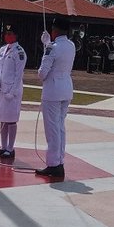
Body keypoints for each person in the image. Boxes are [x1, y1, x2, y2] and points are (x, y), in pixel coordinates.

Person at [35, 17, 75, 179]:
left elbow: (42, 73)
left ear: (55, 30)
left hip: (53, 90)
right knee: (60, 128)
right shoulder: (71, 45)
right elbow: (59, 57)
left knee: (52, 130)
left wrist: (47, 47)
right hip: (66, 88)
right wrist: (48, 46)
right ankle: (59, 161)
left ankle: (53, 164)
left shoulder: (52, 47)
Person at [0, 25, 27, 159]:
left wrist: (13, 91)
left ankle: (10, 148)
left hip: (12, 91)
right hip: (1, 89)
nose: (7, 36)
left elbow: (18, 74)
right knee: (3, 120)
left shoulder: (19, 52)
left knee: (11, 121)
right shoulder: (2, 50)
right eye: (6, 33)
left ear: (16, 36)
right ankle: (3, 147)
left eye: (10, 33)